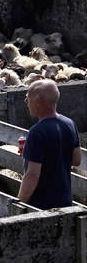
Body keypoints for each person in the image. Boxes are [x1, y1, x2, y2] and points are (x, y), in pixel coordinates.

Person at [17, 79, 81, 209]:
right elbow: (76, 160)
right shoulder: (69, 123)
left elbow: (33, 174)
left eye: (28, 98)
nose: (26, 103)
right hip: (65, 202)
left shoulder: (37, 132)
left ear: (38, 101)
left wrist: (19, 202)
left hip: (41, 207)